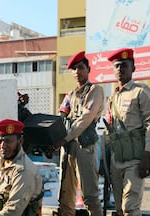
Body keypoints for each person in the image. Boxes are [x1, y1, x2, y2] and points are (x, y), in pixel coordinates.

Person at [105, 48, 150, 216]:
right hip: (117, 159)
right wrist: (105, 160)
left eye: (124, 65)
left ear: (133, 68)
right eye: (117, 66)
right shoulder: (112, 98)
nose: (120, 69)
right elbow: (110, 130)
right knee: (120, 209)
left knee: (130, 207)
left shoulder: (141, 91)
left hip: (135, 159)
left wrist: (147, 156)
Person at [53, 50, 104, 216]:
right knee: (65, 196)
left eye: (80, 67)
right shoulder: (70, 94)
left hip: (84, 147)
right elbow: (60, 117)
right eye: (74, 69)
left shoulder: (95, 91)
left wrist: (64, 138)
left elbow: (85, 119)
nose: (77, 72)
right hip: (67, 149)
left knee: (90, 196)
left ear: (88, 69)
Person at [0, 119, 43, 216]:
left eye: (8, 141)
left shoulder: (24, 170)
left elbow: (13, 210)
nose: (3, 146)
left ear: (20, 141)